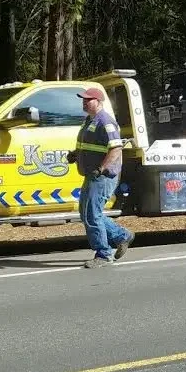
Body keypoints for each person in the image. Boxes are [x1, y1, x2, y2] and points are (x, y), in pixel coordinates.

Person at [67, 85, 134, 267]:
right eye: (84, 99)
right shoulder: (90, 120)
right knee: (88, 213)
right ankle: (122, 236)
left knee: (92, 214)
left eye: (88, 100)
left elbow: (116, 148)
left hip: (102, 176)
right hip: (92, 174)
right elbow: (91, 146)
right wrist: (76, 154)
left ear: (98, 101)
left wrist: (101, 168)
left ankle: (104, 254)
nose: (84, 102)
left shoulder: (105, 121)